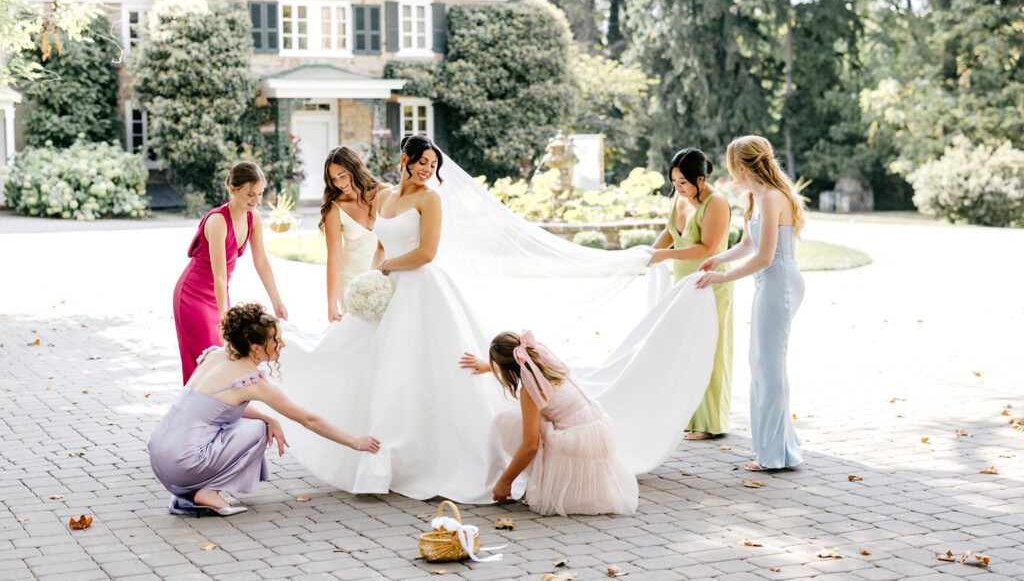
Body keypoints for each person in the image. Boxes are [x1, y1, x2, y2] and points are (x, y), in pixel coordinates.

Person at [278, 135, 721, 503]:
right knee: (380, 370)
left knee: (424, 372)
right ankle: (377, 450)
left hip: (423, 290)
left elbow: (427, 253)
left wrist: (390, 268)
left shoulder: (431, 200)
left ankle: (427, 453)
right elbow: (382, 244)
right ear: (404, 161)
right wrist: (375, 275)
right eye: (420, 163)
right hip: (391, 291)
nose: (426, 170)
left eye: (432, 164)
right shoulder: (388, 198)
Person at [148, 303, 380, 516]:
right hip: (183, 463)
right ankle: (208, 491)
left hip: (160, 455)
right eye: (277, 340)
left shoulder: (214, 356)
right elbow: (308, 420)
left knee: (259, 421)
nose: (283, 344)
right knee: (258, 429)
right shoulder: (252, 382)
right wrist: (355, 442)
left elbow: (212, 407)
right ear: (256, 348)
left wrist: (271, 418)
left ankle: (191, 492)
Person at [696, 135, 806, 471]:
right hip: (767, 285)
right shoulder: (756, 197)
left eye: (733, 167)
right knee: (759, 362)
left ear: (742, 166)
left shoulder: (773, 197)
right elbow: (746, 245)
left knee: (769, 367)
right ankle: (776, 448)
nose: (733, 174)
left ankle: (775, 455)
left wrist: (723, 278)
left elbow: (765, 256)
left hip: (780, 284)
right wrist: (718, 260)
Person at [459, 331, 638, 516]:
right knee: (530, 419)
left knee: (508, 421)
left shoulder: (529, 391)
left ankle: (559, 484)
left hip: (577, 441)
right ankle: (574, 483)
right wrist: (488, 366)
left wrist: (505, 481)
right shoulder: (549, 363)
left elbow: (530, 445)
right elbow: (521, 364)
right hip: (597, 434)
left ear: (506, 369)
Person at [172, 162, 288, 384]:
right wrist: (225, 320)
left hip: (218, 294)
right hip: (193, 296)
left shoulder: (253, 218)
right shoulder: (218, 220)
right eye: (250, 194)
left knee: (224, 362)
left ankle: (218, 415)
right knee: (206, 364)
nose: (256, 200)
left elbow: (261, 262)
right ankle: (195, 414)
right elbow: (220, 275)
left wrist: (277, 301)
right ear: (232, 190)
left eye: (260, 194)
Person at [649, 148, 734, 440]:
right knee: (683, 348)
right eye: (674, 182)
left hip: (710, 284)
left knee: (709, 348)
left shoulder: (717, 204)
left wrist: (662, 255)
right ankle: (686, 414)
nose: (677, 188)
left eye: (682, 182)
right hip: (682, 282)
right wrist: (651, 252)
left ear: (700, 179)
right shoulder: (679, 198)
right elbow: (670, 233)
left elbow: (707, 248)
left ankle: (709, 422)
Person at [319, 146, 386, 321]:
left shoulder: (384, 192)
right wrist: (331, 303)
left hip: (382, 279)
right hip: (350, 283)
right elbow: (334, 259)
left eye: (342, 175)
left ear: (354, 168)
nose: (339, 183)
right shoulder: (334, 208)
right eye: (334, 179)